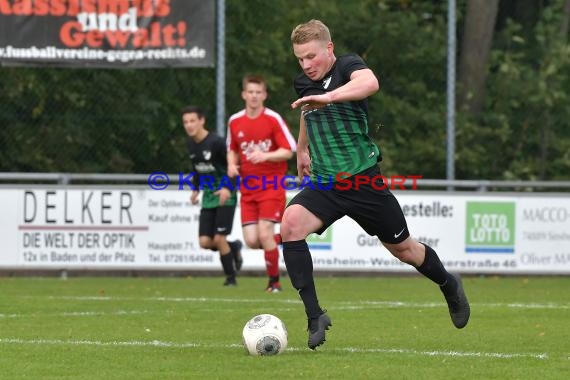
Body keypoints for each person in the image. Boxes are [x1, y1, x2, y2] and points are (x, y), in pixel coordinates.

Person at [281, 19, 470, 349]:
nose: (306, 65)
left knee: (405, 250)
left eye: (311, 56)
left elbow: (370, 83)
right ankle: (315, 316)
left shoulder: (348, 67)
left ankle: (448, 283)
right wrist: (302, 147)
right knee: (290, 225)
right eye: (300, 59)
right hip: (326, 183)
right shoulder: (304, 83)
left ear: (329, 48)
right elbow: (307, 110)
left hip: (362, 181)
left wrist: (330, 97)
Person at [227, 75, 297, 293]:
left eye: (258, 92)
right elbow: (232, 148)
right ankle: (281, 240)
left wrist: (265, 156)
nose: (254, 96)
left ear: (264, 95)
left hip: (271, 185)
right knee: (252, 240)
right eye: (250, 92)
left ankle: (274, 283)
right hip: (248, 189)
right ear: (244, 94)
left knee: (265, 234)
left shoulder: (273, 119)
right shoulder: (235, 121)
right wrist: (231, 165)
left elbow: (289, 149)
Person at [182, 105, 243, 286]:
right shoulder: (190, 143)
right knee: (205, 242)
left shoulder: (216, 142)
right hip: (209, 196)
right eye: (185, 122)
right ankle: (235, 247)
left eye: (193, 121)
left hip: (226, 194)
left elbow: (232, 167)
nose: (189, 125)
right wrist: (195, 189)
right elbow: (197, 168)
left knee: (219, 238)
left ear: (202, 121)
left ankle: (231, 278)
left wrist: (226, 188)